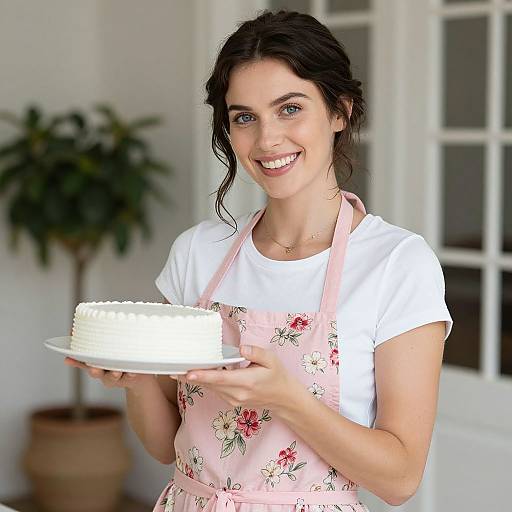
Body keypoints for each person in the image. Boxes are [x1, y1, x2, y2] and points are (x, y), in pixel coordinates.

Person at [66, 9, 453, 512]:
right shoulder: (197, 253)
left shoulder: (398, 264)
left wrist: (284, 397)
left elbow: (400, 480)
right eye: (244, 117)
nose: (267, 139)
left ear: (339, 111)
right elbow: (167, 446)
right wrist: (135, 380)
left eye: (290, 108)